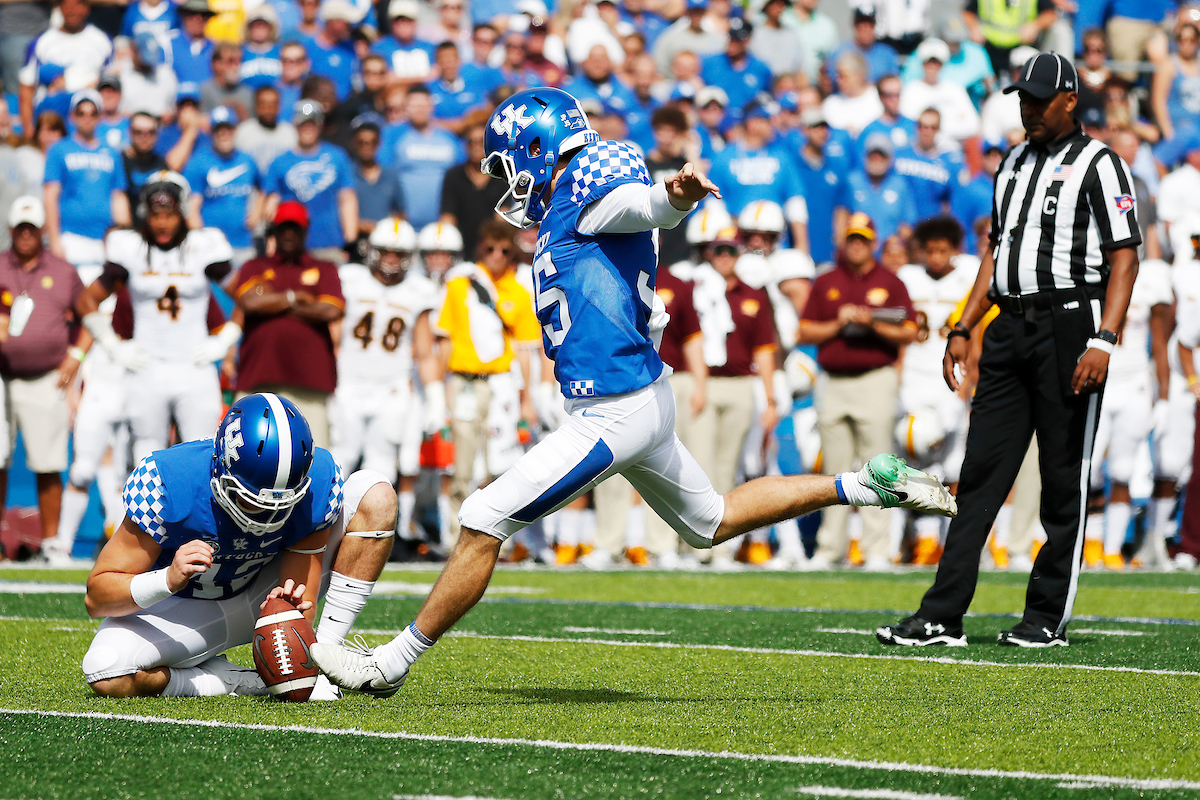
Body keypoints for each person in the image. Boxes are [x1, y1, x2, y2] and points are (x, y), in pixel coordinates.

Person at [311, 86, 956, 696]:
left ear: (539, 148)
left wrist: (674, 197)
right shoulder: (572, 196)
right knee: (711, 522)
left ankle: (388, 663)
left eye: (512, 164)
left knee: (484, 517)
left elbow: (638, 205)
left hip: (614, 408)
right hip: (636, 397)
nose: (510, 183)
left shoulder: (592, 180)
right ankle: (864, 483)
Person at [877, 52, 1141, 648]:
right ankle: (943, 613)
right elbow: (995, 255)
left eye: (1040, 99)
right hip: (1007, 326)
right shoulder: (1012, 163)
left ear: (1070, 100)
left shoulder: (1100, 164)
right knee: (978, 475)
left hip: (1072, 322)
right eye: (1022, 97)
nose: (1028, 108)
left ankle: (1046, 615)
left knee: (1061, 478)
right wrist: (963, 326)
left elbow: (1125, 254)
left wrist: (1104, 338)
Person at [81, 393, 396, 700]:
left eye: (283, 503)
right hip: (184, 608)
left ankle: (327, 664)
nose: (269, 517)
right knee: (106, 670)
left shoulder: (318, 478)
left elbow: (304, 597)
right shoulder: (170, 480)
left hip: (260, 592)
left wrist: (290, 607)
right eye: (250, 501)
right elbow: (97, 597)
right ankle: (225, 680)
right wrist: (166, 579)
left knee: (376, 495)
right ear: (220, 469)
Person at [77, 171, 238, 465]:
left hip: (195, 366)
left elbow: (248, 297)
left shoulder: (204, 246)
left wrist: (224, 340)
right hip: (147, 365)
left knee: (202, 454)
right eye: (155, 214)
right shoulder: (130, 248)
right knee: (146, 456)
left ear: (183, 211)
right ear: (144, 213)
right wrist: (113, 346)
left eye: (170, 214)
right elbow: (86, 301)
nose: (162, 222)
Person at [799, 213, 917, 570]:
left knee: (879, 466)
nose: (857, 245)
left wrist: (872, 321)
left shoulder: (890, 282)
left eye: (863, 239)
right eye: (852, 238)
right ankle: (830, 547)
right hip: (833, 379)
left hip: (875, 378)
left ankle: (877, 549)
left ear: (874, 242)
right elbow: (804, 330)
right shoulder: (827, 281)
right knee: (833, 470)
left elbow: (910, 331)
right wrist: (840, 322)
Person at [332, 218, 443, 549]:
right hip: (348, 383)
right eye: (386, 251)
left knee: (381, 469)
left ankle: (368, 541)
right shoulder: (350, 280)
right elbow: (334, 337)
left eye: (399, 253)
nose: (392, 258)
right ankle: (328, 533)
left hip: (392, 388)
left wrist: (435, 396)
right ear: (372, 251)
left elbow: (423, 351)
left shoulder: (419, 290)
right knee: (342, 459)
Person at [0, 197, 85, 559]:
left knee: (48, 462)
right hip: (1, 377)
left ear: (40, 231)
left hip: (47, 376)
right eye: (20, 228)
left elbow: (89, 314)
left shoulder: (64, 271)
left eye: (31, 228)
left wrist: (75, 357)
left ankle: (51, 542)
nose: (25, 235)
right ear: (10, 230)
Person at [894, 216, 978, 565]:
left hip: (952, 376)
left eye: (943, 250)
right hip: (916, 375)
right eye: (930, 250)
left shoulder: (969, 275)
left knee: (954, 463)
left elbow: (978, 332)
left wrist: (971, 377)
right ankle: (925, 540)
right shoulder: (907, 278)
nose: (936, 257)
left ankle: (952, 542)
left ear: (955, 250)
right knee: (917, 460)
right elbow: (902, 332)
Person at [231, 201, 344, 447]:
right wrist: (295, 298)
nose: (289, 234)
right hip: (258, 375)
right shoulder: (255, 266)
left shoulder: (323, 268)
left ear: (305, 231)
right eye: (283, 228)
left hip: (309, 379)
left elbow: (332, 310)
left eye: (295, 228)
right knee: (247, 449)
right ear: (274, 231)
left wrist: (274, 303)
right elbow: (249, 302)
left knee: (314, 452)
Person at [43, 91, 131, 268]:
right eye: (81, 113)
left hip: (104, 239)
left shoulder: (112, 153)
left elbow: (118, 197)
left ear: (100, 116)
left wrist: (123, 236)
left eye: (93, 113)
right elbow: (50, 196)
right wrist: (54, 240)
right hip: (70, 236)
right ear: (72, 116)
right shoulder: (59, 150)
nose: (87, 118)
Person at [263, 100, 358, 263]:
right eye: (302, 124)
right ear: (295, 125)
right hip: (290, 246)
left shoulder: (337, 157)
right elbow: (272, 204)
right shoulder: (280, 162)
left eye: (312, 124)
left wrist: (350, 241)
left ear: (320, 125)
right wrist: (271, 240)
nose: (307, 128)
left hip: (329, 243)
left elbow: (347, 199)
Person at [185, 106, 262, 268]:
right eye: (218, 129)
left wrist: (257, 213)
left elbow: (263, 189)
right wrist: (201, 238)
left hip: (243, 243)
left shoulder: (247, 159)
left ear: (235, 130)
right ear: (211, 132)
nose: (224, 133)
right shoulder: (198, 162)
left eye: (228, 128)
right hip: (211, 247)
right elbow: (192, 206)